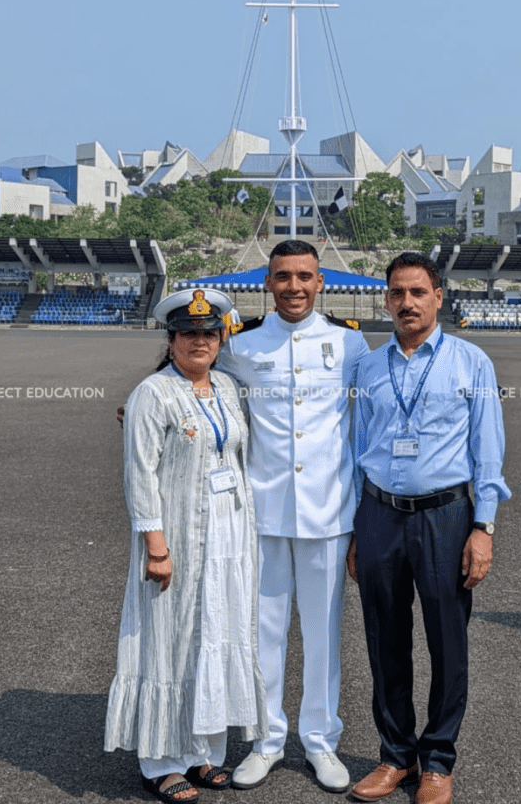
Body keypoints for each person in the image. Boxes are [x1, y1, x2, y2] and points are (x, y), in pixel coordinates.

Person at [348, 252, 511, 804]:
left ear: (439, 297)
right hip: (378, 514)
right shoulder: (369, 368)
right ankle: (396, 756)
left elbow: (488, 451)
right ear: (386, 300)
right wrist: (354, 529)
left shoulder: (472, 363)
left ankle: (438, 760)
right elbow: (355, 450)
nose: (407, 302)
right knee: (384, 640)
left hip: (446, 516)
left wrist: (483, 527)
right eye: (397, 293)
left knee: (447, 642)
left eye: (418, 292)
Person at [218, 240, 370, 794]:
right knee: (265, 633)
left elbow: (365, 424)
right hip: (262, 510)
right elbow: (197, 381)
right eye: (283, 277)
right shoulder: (244, 345)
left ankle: (321, 741)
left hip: (329, 511)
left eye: (305, 276)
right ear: (268, 282)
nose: (294, 287)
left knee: (324, 633)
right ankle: (266, 740)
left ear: (321, 280)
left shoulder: (349, 344)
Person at [104, 288, 267, 804]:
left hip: (227, 537)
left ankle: (203, 751)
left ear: (221, 339)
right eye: (188, 333)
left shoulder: (226, 386)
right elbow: (140, 475)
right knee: (169, 640)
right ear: (171, 340)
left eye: (208, 333)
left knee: (214, 634)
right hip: (175, 536)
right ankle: (161, 762)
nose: (199, 341)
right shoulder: (153, 393)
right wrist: (156, 545)